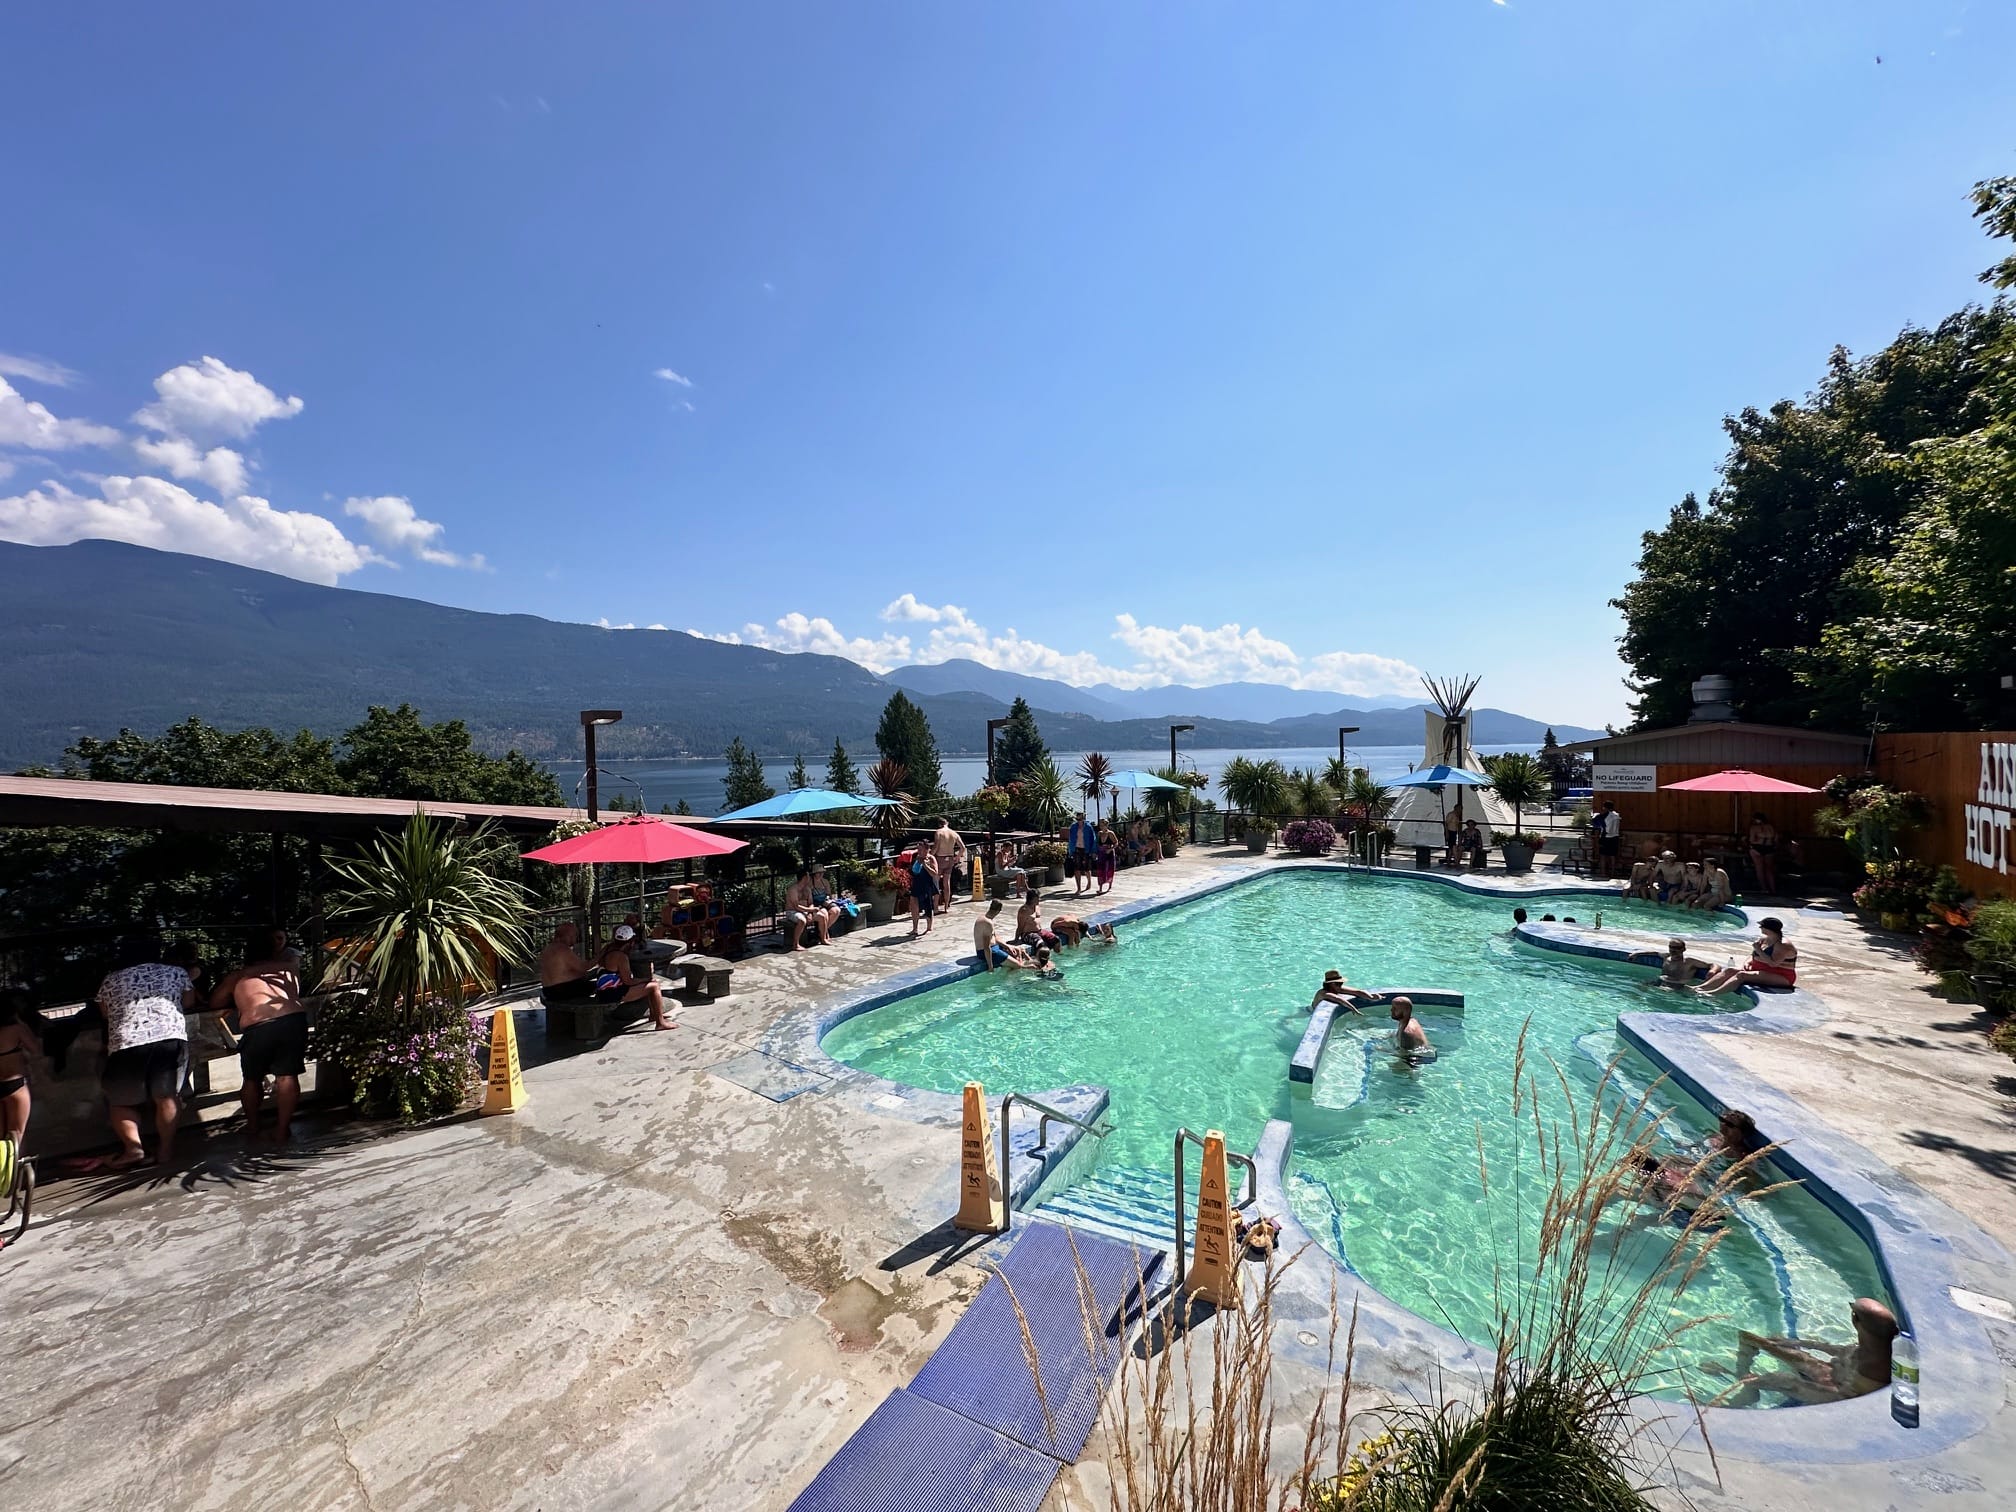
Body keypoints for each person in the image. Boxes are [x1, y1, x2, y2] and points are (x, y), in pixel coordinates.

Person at [95, 937, 194, 1168]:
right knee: (167, 1097)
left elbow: (104, 1013)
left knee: (120, 1103)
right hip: (170, 1039)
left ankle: (133, 1149)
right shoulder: (176, 972)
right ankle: (165, 1151)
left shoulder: (110, 979)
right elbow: (188, 1002)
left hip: (126, 1042)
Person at [211, 928, 311, 1144]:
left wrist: (235, 999)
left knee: (252, 1078)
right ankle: (282, 1129)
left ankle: (253, 1125)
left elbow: (215, 1002)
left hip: (259, 1026)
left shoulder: (238, 976)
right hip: (294, 1019)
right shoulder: (288, 970)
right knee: (287, 1076)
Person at [1714, 1299, 1899, 1407]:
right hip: (1830, 1375)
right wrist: (1795, 1343)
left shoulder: (1876, 1364)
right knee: (1751, 1338)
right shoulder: (1873, 1341)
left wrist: (1813, 1385)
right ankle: (1742, 1379)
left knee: (1781, 1379)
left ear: (1856, 1320)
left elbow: (1851, 1397)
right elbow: (1835, 1350)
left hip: (1833, 1394)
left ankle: (1747, 1391)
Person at [597, 925, 676, 1029]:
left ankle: (654, 1015)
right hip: (610, 993)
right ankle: (660, 1023)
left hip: (604, 991)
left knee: (650, 984)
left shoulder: (608, 948)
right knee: (654, 986)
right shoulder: (621, 956)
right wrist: (645, 979)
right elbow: (629, 981)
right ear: (631, 942)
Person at [1699, 917, 1798, 994]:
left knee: (1741, 975)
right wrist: (1747, 962)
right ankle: (1700, 988)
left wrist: (1758, 950)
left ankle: (1712, 993)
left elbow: (1773, 963)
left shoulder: (1782, 944)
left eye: (1762, 926)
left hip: (1781, 976)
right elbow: (1752, 955)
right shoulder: (1764, 938)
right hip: (1760, 970)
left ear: (1768, 929)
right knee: (1730, 970)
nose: (1760, 928)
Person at [0, 991, 41, 1151]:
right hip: (15, 1084)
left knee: (1, 1138)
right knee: (16, 1136)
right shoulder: (16, 1029)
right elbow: (35, 1049)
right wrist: (21, 1022)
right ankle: (17, 1173)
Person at [784, 867, 839, 951]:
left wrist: (810, 912)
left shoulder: (807, 889)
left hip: (806, 911)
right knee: (802, 920)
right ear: (805, 877)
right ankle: (796, 944)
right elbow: (796, 906)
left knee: (822, 916)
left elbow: (811, 903)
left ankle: (823, 938)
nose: (810, 878)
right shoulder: (793, 889)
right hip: (793, 911)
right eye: (808, 876)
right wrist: (810, 911)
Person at [932, 819, 967, 905]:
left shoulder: (939, 832)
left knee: (936, 882)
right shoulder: (954, 833)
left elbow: (936, 847)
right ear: (947, 823)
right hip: (950, 858)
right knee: (946, 883)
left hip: (940, 858)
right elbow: (963, 847)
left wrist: (930, 856)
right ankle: (946, 906)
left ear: (939, 824)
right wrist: (957, 857)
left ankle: (935, 906)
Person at [908, 848, 940, 937]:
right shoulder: (915, 857)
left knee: (928, 905)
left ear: (927, 850)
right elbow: (912, 870)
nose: (919, 851)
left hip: (927, 884)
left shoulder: (931, 858)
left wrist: (925, 865)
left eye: (921, 849)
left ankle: (929, 927)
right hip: (916, 883)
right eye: (918, 849)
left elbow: (935, 873)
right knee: (914, 905)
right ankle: (915, 928)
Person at [1311, 969, 1376, 1014]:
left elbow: (1358, 992)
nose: (1340, 986)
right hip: (1311, 1011)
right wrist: (1353, 1009)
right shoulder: (1323, 993)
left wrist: (1371, 997)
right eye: (1338, 984)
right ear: (1331, 984)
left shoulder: (1337, 988)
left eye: (1340, 984)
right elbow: (1338, 999)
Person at [1067, 811, 1099, 897]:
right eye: (1078, 818)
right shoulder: (1073, 827)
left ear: (1084, 818)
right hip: (1076, 849)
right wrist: (1070, 850)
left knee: (1086, 869)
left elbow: (1093, 839)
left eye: (1080, 818)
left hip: (1086, 849)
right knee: (1077, 869)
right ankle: (1079, 888)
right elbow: (1070, 839)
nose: (1079, 820)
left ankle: (1089, 882)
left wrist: (1094, 851)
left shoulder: (1088, 827)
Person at [1747, 813, 1780, 895]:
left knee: (1759, 869)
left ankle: (1764, 888)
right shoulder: (1771, 827)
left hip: (1757, 847)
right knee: (1769, 870)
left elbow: (1751, 840)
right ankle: (1773, 889)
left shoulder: (1754, 828)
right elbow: (1776, 840)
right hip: (1769, 848)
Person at [1048, 915, 1116, 947]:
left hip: (1066, 926)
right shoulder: (1068, 922)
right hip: (1055, 926)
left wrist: (1090, 937)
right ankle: (1070, 948)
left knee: (1077, 933)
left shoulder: (1079, 924)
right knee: (1071, 933)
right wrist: (1063, 929)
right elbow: (1055, 925)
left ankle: (1077, 946)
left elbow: (1084, 931)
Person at [1598, 802, 1623, 879]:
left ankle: (1603, 872)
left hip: (1606, 837)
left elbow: (1606, 828)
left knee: (1603, 856)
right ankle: (1612, 872)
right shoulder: (1616, 815)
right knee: (1613, 856)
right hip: (1615, 837)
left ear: (1605, 808)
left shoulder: (1606, 817)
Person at [1096, 824, 1119, 894]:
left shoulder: (1110, 833)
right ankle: (1100, 888)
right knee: (1100, 870)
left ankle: (1109, 885)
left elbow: (1116, 843)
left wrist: (1110, 849)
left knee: (1109, 869)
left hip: (1109, 853)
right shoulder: (1099, 833)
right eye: (1101, 825)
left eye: (1103, 825)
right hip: (1101, 853)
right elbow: (1097, 843)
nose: (1102, 827)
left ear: (1106, 826)